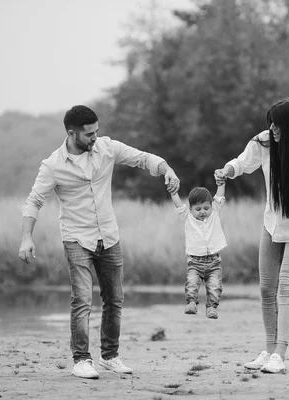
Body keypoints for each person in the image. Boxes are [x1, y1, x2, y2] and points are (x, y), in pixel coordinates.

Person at [18, 105, 180, 379]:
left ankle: (110, 356)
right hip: (76, 237)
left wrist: (168, 170)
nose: (95, 137)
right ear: (72, 134)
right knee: (81, 299)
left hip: (109, 235)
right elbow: (34, 201)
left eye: (97, 131)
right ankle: (81, 359)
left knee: (114, 299)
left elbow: (143, 158)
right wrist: (26, 238)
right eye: (89, 134)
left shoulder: (107, 148)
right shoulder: (53, 166)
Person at [214, 97, 289, 374]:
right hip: (271, 226)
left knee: (285, 289)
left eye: (278, 123)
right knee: (266, 289)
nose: (273, 128)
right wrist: (227, 171)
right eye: (270, 122)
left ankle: (280, 355)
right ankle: (268, 349)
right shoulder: (264, 143)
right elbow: (242, 163)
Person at [170, 181, 227, 319]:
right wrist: (173, 192)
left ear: (211, 207)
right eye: (198, 209)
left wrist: (221, 183)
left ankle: (212, 307)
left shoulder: (214, 213)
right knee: (191, 284)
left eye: (206, 208)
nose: (203, 212)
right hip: (194, 262)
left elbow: (219, 197)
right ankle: (191, 303)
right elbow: (178, 205)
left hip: (214, 261)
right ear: (190, 209)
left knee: (215, 286)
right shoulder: (187, 217)